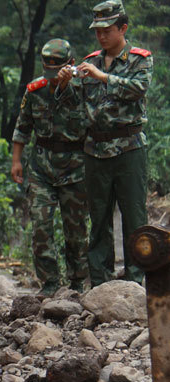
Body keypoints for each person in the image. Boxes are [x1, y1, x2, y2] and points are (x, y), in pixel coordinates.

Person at [76, 0, 153, 286]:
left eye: (107, 30)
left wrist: (104, 77)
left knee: (134, 218)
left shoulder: (140, 59)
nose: (101, 36)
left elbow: (138, 88)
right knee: (98, 219)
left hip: (129, 147)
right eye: (97, 31)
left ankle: (135, 281)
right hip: (95, 149)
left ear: (123, 28)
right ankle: (100, 282)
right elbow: (76, 102)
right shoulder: (91, 60)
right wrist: (62, 84)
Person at [11, 39, 90, 295]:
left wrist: (67, 86)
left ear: (71, 65)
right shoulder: (35, 89)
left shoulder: (84, 87)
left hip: (75, 167)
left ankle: (77, 282)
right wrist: (16, 161)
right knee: (41, 226)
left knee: (75, 228)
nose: (53, 77)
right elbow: (23, 127)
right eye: (49, 70)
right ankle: (50, 283)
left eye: (59, 70)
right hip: (42, 166)